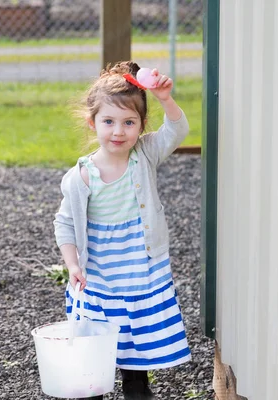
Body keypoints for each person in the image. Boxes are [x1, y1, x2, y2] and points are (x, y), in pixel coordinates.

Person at [53, 61, 191, 400]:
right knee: (98, 336)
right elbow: (65, 223)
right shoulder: (81, 176)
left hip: (140, 265)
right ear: (92, 122)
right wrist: (73, 265)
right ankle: (92, 387)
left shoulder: (144, 154)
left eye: (129, 123)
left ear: (142, 126)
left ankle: (136, 385)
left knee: (135, 331)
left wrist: (165, 99)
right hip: (100, 270)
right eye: (109, 122)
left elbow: (177, 130)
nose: (119, 131)